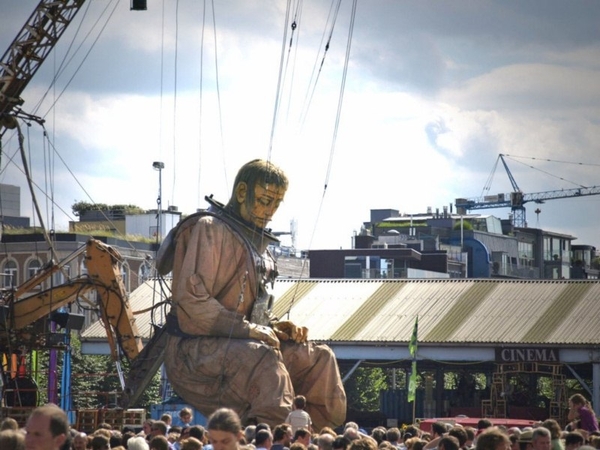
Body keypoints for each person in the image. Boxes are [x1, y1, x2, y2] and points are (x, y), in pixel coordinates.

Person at [161, 159, 346, 429]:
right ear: (241, 192)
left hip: (238, 344)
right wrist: (250, 330)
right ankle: (272, 438)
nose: (269, 211)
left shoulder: (260, 247)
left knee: (320, 358)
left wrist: (273, 327)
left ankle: (316, 437)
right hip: (193, 350)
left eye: (276, 203)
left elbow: (249, 311)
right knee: (265, 360)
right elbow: (192, 304)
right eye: (263, 199)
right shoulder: (209, 229)